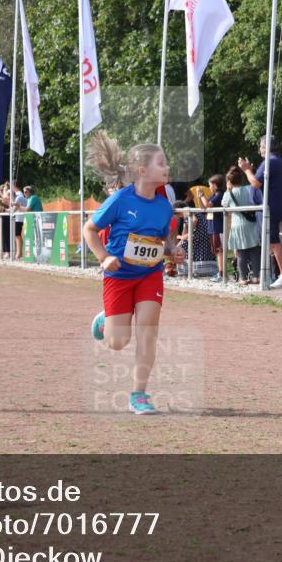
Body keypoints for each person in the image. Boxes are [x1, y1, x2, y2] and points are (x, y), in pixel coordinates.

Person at [83, 131, 185, 415]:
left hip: (149, 276)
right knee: (118, 342)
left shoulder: (165, 207)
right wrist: (104, 258)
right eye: (161, 163)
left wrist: (172, 251)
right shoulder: (120, 200)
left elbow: (163, 242)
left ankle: (138, 394)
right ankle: (107, 319)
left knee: (148, 333)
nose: (167, 168)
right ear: (142, 171)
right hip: (118, 276)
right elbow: (89, 230)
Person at [238, 135, 282, 287]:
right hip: (269, 208)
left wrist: (246, 170)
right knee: (271, 243)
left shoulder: (270, 161)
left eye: (261, 147)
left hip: (269, 208)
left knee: (274, 243)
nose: (259, 150)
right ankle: (279, 274)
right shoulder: (274, 161)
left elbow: (255, 183)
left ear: (265, 147)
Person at [221, 167, 261, 285]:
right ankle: (256, 276)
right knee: (254, 251)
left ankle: (243, 278)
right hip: (251, 223)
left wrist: (228, 190)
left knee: (241, 253)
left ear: (229, 181)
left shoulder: (229, 193)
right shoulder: (249, 189)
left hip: (237, 224)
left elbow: (224, 205)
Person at [198, 175, 226, 282]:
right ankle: (220, 272)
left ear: (215, 185)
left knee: (219, 251)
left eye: (210, 185)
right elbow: (203, 207)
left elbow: (208, 205)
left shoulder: (219, 195)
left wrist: (202, 195)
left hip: (218, 227)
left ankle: (221, 273)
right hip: (212, 227)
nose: (209, 187)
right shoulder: (214, 195)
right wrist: (200, 197)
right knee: (217, 251)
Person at [11, 181, 27, 259]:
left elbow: (15, 207)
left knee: (17, 235)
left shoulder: (19, 196)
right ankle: (19, 252)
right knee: (17, 235)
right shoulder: (19, 195)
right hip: (19, 218)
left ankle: (19, 253)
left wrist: (10, 212)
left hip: (19, 218)